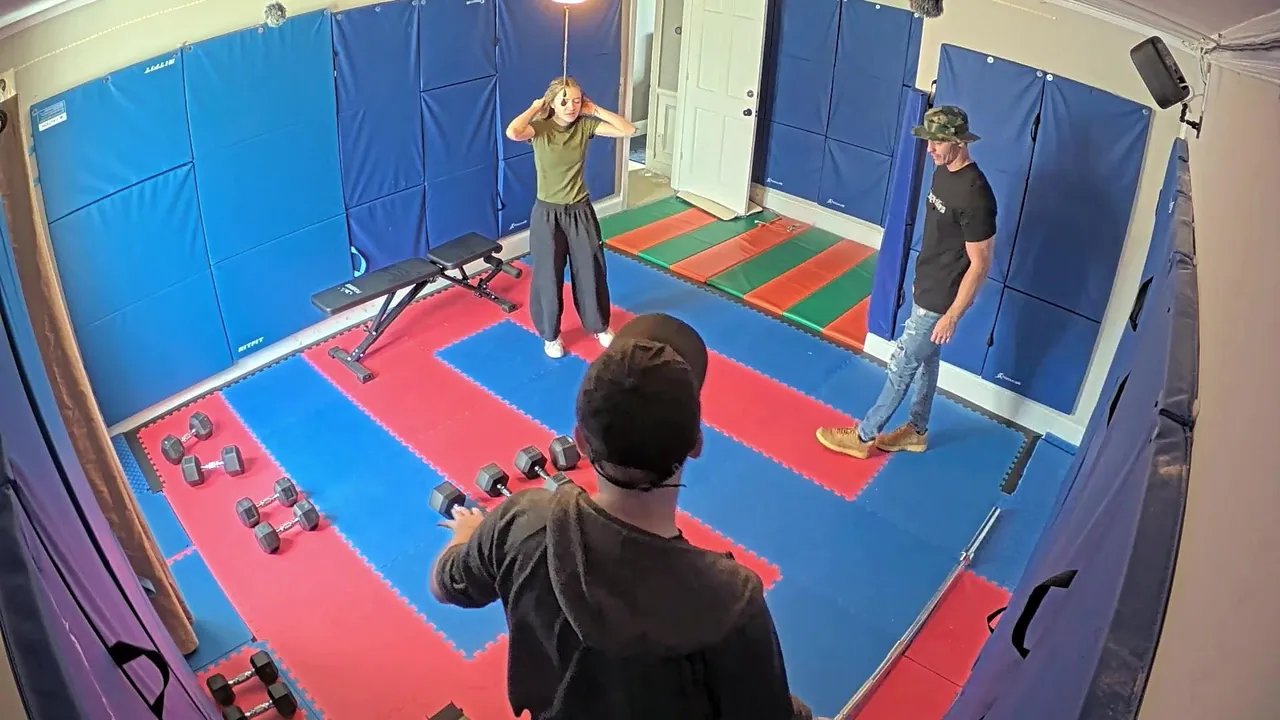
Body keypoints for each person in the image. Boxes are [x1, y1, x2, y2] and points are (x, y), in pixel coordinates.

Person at [429, 313, 815, 720]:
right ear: (697, 444)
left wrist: (467, 535)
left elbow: (445, 585)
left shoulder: (521, 520)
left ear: (580, 440)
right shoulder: (731, 599)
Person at [817, 106, 996, 459]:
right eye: (928, 141)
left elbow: (980, 263)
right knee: (927, 362)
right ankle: (917, 430)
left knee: (902, 366)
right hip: (926, 284)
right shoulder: (943, 171)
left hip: (940, 299)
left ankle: (863, 437)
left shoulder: (975, 195)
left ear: (959, 142)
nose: (930, 149)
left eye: (937, 142)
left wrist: (952, 315)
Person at [505, 76, 636, 359]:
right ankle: (550, 335)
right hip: (547, 214)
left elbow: (628, 129)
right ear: (552, 103)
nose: (571, 106)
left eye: (576, 100)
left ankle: (599, 326)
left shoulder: (585, 125)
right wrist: (535, 107)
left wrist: (594, 109)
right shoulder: (540, 128)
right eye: (564, 101)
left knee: (590, 269)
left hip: (580, 211)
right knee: (548, 275)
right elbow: (513, 132)